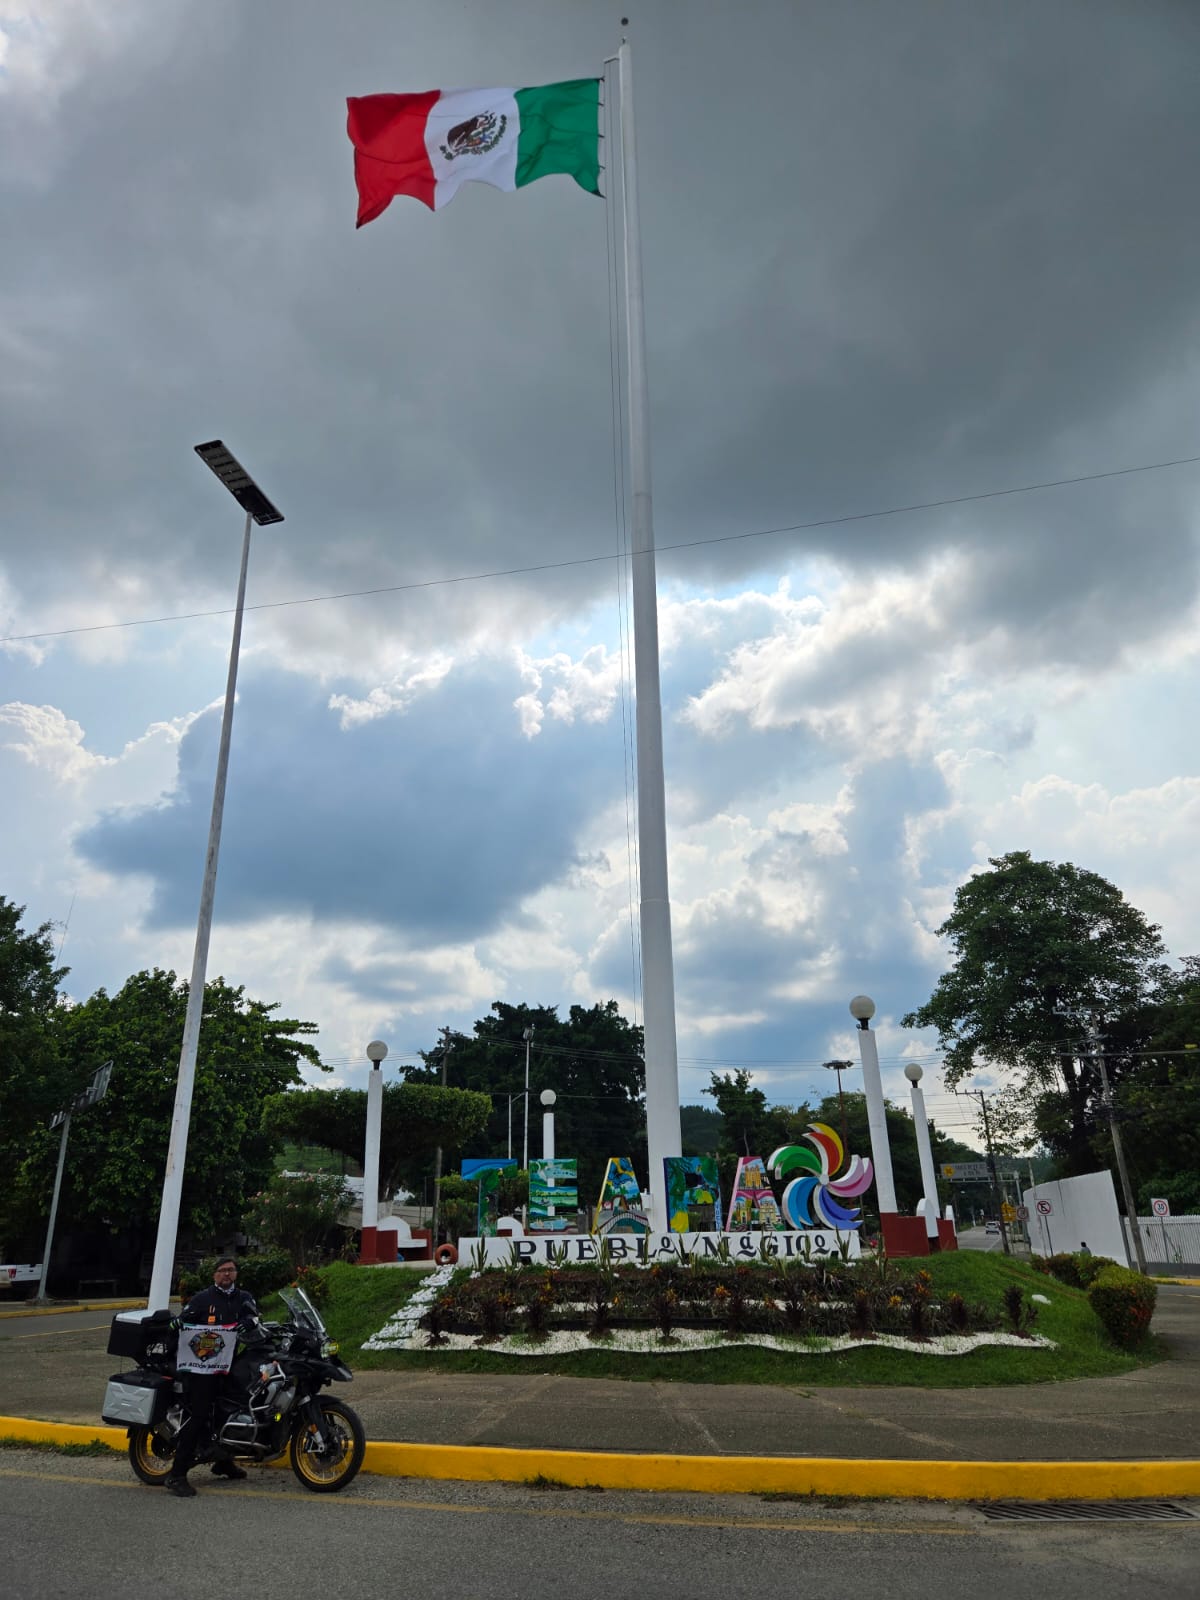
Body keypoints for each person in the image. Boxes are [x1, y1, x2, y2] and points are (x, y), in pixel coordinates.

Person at [165, 1257, 258, 1498]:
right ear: (214, 1274)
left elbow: (254, 1316)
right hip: (202, 1369)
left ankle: (223, 1461)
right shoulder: (202, 1299)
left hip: (229, 1365)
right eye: (222, 1270)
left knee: (230, 1409)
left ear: (236, 1274)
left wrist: (248, 1323)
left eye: (231, 1270)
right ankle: (177, 1475)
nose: (227, 1274)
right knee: (200, 1415)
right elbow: (183, 1322)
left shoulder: (243, 1297)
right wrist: (177, 1324)